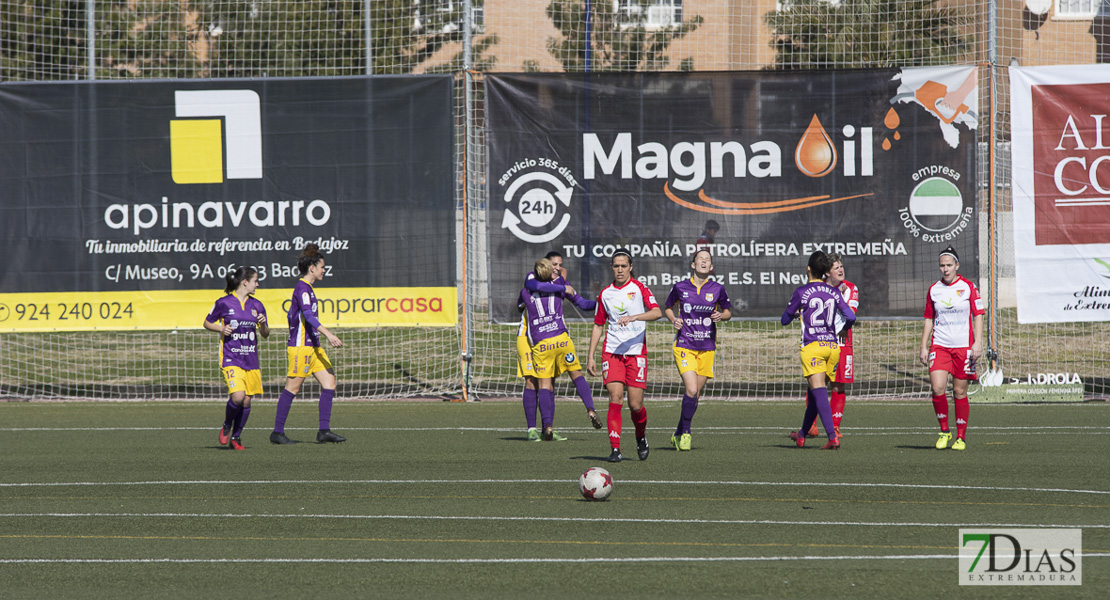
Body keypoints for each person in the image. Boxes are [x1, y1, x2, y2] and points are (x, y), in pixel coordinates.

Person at [587, 248, 662, 462]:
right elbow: (598, 326)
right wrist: (591, 356)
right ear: (611, 268)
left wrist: (634, 317)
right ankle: (615, 449)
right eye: (616, 266)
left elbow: (657, 312)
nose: (619, 270)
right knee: (615, 398)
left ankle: (640, 437)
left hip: (636, 353)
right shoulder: (605, 294)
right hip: (612, 353)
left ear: (631, 267)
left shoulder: (640, 289)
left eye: (623, 266)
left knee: (635, 405)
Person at [517, 251, 600, 441]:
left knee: (545, 383)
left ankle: (547, 425)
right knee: (573, 375)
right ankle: (589, 408)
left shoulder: (529, 288)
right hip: (558, 340)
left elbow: (521, 300)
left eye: (560, 265)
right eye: (554, 265)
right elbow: (580, 303)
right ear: (546, 266)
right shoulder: (557, 284)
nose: (558, 268)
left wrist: (599, 304)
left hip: (542, 343)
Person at [270, 244, 346, 445]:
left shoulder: (309, 289)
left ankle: (324, 430)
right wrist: (329, 334)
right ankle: (277, 433)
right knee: (292, 389)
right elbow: (308, 316)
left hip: (313, 347)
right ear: (312, 268)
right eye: (322, 266)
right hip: (301, 347)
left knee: (330, 384)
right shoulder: (302, 288)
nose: (324, 270)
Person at [782, 251, 856, 450]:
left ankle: (832, 437)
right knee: (815, 393)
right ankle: (802, 434)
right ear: (825, 272)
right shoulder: (834, 292)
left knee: (819, 391)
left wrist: (797, 313)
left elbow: (784, 319)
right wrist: (843, 330)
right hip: (832, 348)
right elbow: (850, 316)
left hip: (813, 347)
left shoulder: (802, 292)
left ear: (808, 269)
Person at [663, 250, 732, 451]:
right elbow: (667, 307)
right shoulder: (680, 287)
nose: (704, 261)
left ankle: (677, 433)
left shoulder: (717, 289)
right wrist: (673, 319)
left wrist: (722, 315)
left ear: (711, 267)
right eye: (700, 259)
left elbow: (728, 311)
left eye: (707, 260)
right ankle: (686, 433)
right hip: (684, 344)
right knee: (691, 390)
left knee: (695, 395)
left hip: (707, 347)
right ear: (693, 265)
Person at [920, 245, 984, 451]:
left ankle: (961, 436)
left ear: (957, 265)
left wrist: (978, 342)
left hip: (963, 347)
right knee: (937, 387)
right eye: (942, 266)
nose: (945, 269)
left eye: (949, 265)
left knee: (958, 391)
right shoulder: (934, 289)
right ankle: (944, 431)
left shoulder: (968, 287)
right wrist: (923, 346)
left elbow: (978, 314)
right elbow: (929, 319)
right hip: (940, 346)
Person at [204, 266, 269, 450]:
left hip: (251, 358)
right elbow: (207, 322)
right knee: (238, 397)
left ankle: (237, 437)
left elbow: (265, 334)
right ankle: (227, 425)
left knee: (247, 400)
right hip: (231, 357)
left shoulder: (257, 305)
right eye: (255, 280)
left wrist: (263, 325)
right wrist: (221, 328)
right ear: (245, 282)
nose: (258, 284)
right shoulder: (224, 303)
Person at [803, 253, 859, 439]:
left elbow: (850, 313)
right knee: (817, 385)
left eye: (841, 266)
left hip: (843, 343)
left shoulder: (851, 288)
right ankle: (811, 425)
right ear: (827, 272)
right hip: (821, 342)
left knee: (839, 385)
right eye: (836, 267)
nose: (841, 269)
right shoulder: (820, 290)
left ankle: (834, 426)